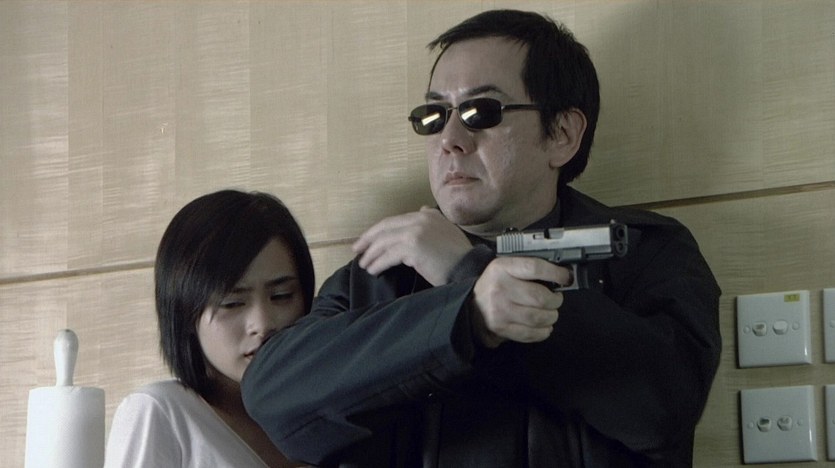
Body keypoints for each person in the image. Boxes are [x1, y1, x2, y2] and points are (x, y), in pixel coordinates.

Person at [243, 9, 721, 467]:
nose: (450, 139)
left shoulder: (642, 250)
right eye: (434, 115)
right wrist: (466, 315)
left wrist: (465, 271)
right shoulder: (378, 269)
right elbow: (273, 396)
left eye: (480, 111)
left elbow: (665, 408)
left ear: (562, 134)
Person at [104, 190, 315, 468]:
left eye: (282, 296)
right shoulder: (161, 412)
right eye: (232, 303)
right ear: (185, 313)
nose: (263, 325)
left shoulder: (324, 418)